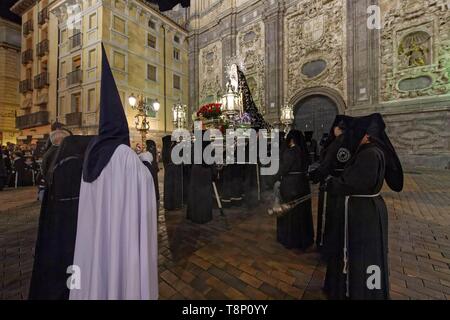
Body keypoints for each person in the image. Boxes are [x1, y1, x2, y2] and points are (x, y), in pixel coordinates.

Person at [69, 45, 158, 300]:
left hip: (97, 238)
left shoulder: (92, 151)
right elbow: (145, 188)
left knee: (99, 270)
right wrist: (147, 158)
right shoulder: (124, 156)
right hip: (119, 240)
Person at [324, 113, 403, 300]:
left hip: (364, 212)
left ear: (366, 136)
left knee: (364, 255)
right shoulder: (371, 151)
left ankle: (364, 292)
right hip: (365, 208)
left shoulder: (369, 153)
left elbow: (354, 183)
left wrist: (332, 183)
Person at [29, 135, 93, 299]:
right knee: (73, 265)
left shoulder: (57, 165)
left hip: (57, 224)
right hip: (74, 224)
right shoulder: (76, 165)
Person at [310, 116, 355, 251]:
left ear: (337, 129)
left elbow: (326, 165)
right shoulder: (352, 142)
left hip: (333, 184)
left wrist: (314, 177)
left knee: (330, 216)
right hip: (347, 184)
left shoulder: (336, 143)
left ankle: (327, 246)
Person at [275, 130, 314, 250]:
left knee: (289, 211)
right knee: (302, 212)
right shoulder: (303, 151)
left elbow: (283, 169)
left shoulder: (290, 151)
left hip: (290, 184)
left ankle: (290, 239)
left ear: (291, 139)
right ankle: (303, 239)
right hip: (302, 183)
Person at [186, 132, 214, 224]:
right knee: (204, 194)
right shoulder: (209, 146)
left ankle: (195, 215)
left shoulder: (194, 146)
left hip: (196, 171)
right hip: (205, 172)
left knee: (195, 194)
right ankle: (204, 216)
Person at [162, 135, 183, 210]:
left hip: (172, 170)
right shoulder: (172, 147)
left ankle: (173, 204)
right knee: (172, 187)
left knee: (173, 187)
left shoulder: (170, 147)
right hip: (173, 170)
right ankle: (172, 204)